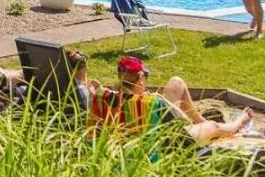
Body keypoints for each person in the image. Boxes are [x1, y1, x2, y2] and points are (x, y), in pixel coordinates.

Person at [88, 56, 254, 146]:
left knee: (176, 81)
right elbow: (182, 123)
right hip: (171, 144)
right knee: (213, 126)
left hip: (132, 134)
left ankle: (201, 120)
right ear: (139, 78)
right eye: (145, 76)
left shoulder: (104, 96)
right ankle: (240, 122)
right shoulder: (151, 101)